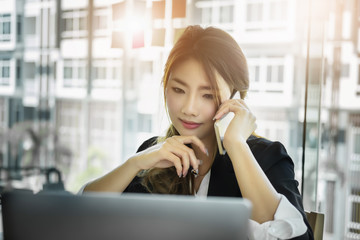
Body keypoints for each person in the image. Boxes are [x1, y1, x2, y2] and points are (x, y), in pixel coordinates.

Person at [83, 25, 313, 240]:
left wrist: (236, 144)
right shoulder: (156, 153)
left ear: (234, 97)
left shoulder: (267, 157)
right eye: (178, 89)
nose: (188, 109)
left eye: (208, 95)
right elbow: (84, 215)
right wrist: (134, 164)